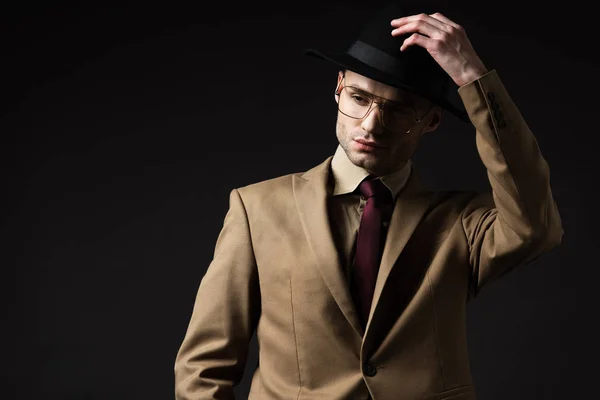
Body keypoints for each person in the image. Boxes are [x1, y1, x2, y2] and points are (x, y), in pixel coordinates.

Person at [174, 3, 563, 399]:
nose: (371, 125)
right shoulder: (256, 209)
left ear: (431, 120)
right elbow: (205, 367)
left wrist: (475, 80)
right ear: (338, 86)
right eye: (359, 98)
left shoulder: (461, 225)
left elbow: (536, 225)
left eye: (398, 111)